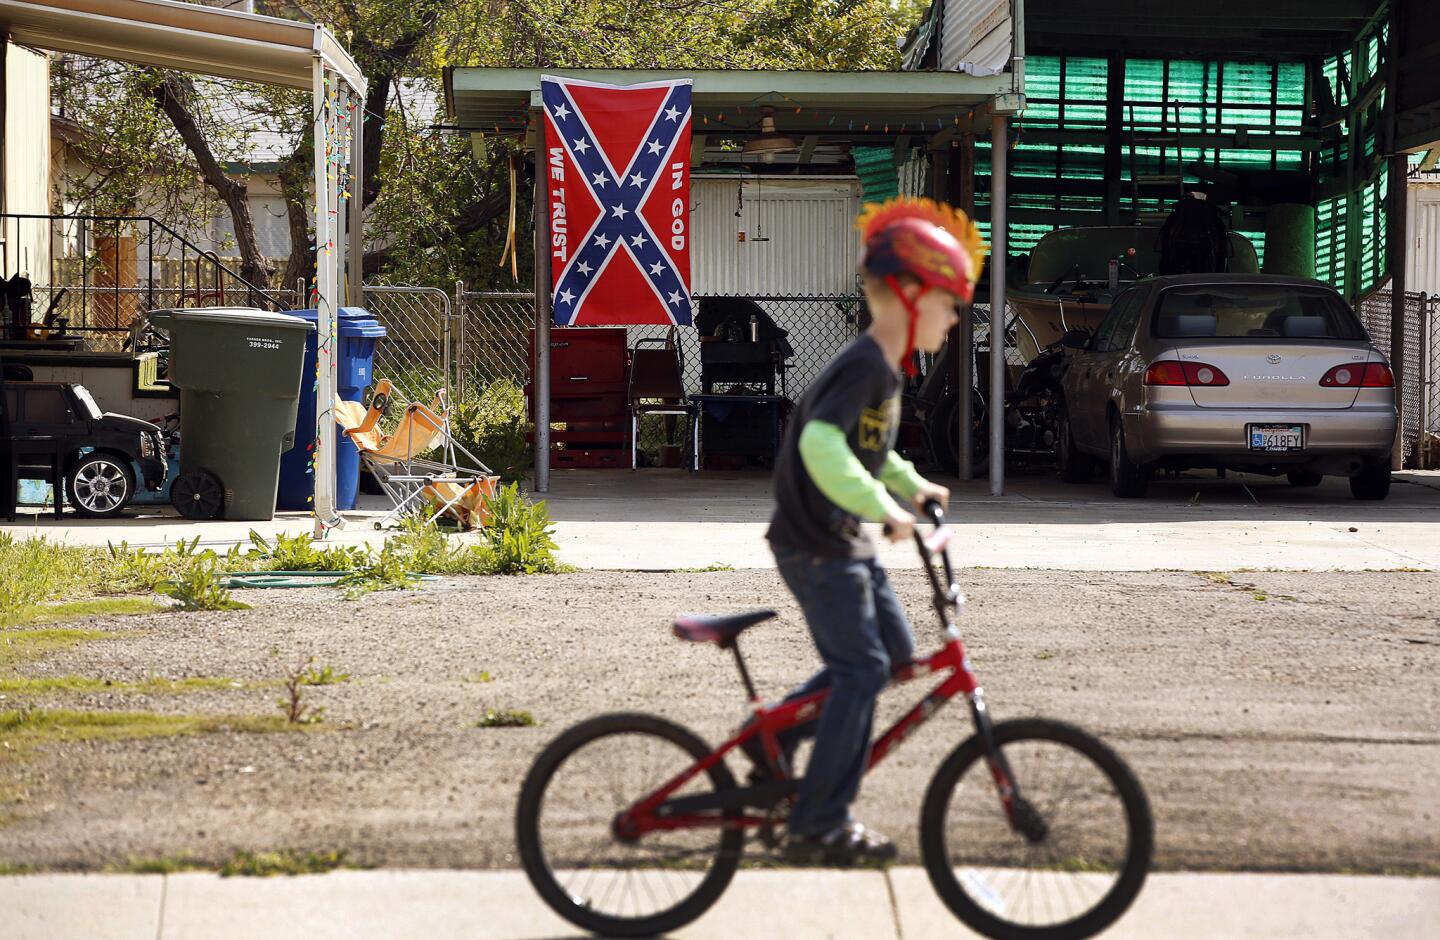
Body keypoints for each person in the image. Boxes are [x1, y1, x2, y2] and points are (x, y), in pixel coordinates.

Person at [761, 197, 986, 865]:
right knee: (861, 671)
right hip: (815, 543)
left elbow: (870, 450)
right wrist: (884, 510)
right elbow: (823, 449)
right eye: (949, 305)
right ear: (912, 295)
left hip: (844, 541)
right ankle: (819, 823)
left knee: (889, 653)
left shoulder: (884, 372)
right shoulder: (864, 365)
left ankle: (775, 735)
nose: (953, 320)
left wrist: (911, 486)